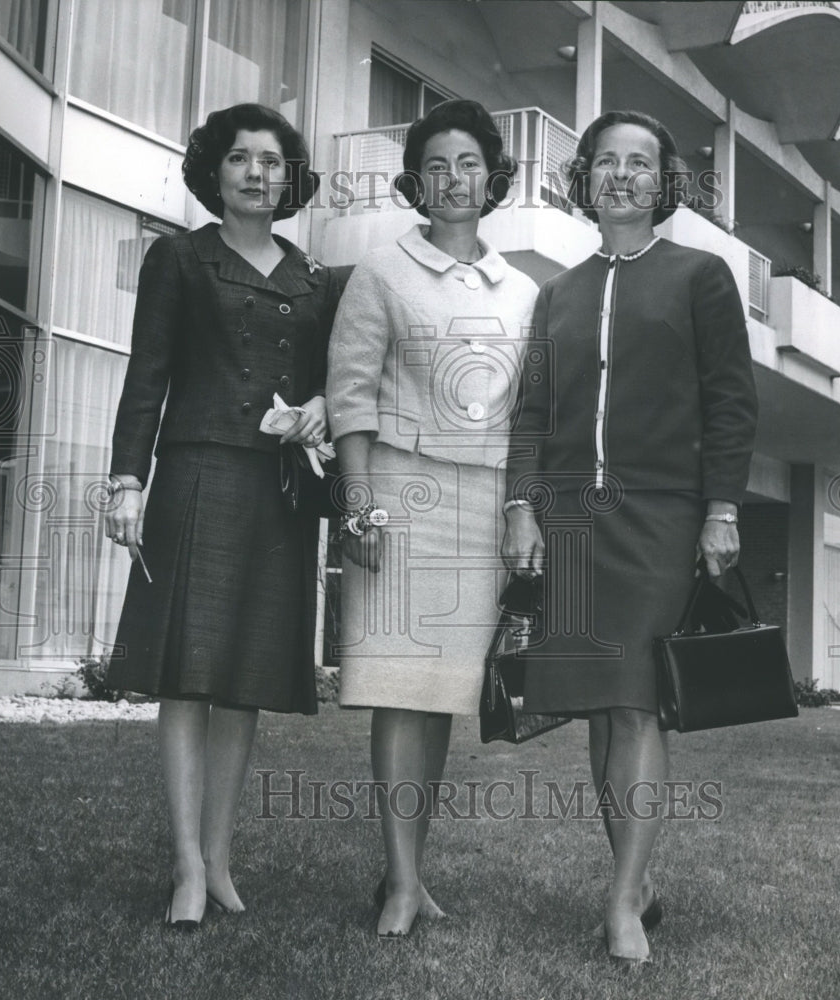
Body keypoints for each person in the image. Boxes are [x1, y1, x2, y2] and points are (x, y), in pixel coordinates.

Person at [502, 110, 757, 965]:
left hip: (660, 515)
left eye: (638, 164)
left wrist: (721, 510)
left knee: (638, 699)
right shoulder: (558, 294)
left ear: (664, 182)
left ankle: (618, 904)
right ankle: (637, 886)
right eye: (604, 162)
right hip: (573, 521)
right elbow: (532, 414)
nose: (620, 176)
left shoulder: (701, 276)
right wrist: (520, 507)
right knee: (600, 713)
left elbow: (731, 402)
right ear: (584, 180)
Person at [104, 103, 338, 930]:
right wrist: (126, 480)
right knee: (189, 675)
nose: (255, 174)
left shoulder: (313, 277)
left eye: (271, 162)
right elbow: (147, 375)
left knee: (244, 681)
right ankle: (184, 866)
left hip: (277, 495)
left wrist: (319, 405)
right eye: (239, 159)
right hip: (195, 476)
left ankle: (222, 857)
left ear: (289, 176)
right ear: (215, 171)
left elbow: (331, 381)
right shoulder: (180, 259)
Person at [326, 99, 538, 938]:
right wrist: (355, 499)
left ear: (494, 177)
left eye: (470, 164)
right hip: (396, 495)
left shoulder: (524, 290)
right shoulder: (382, 271)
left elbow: (532, 416)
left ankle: (408, 876)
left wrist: (522, 510)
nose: (455, 180)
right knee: (396, 689)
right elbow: (349, 392)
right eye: (439, 165)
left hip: (483, 505)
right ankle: (402, 884)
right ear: (419, 180)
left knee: (443, 694)